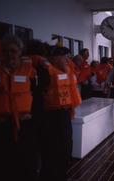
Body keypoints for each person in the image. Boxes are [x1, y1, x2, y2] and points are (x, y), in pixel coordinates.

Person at [0, 35, 38, 181]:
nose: (9, 55)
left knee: (27, 162)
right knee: (3, 164)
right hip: (1, 125)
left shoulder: (30, 71)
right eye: (5, 51)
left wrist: (32, 115)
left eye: (13, 51)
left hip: (24, 124)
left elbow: (37, 97)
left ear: (20, 52)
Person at [36, 46, 81, 181]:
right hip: (50, 117)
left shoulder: (66, 71)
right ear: (55, 58)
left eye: (68, 56)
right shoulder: (45, 72)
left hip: (64, 115)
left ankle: (62, 175)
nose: (68, 59)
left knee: (65, 149)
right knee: (51, 152)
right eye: (65, 57)